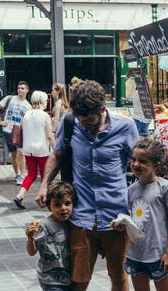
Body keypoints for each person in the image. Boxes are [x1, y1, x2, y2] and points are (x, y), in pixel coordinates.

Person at [35, 80, 139, 291]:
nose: (83, 124)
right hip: (81, 217)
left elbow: (139, 164)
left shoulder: (125, 127)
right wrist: (43, 185)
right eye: (80, 119)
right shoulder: (70, 122)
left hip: (115, 218)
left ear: (102, 109)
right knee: (79, 279)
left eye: (88, 119)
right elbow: (58, 154)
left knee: (118, 277)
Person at [113, 139, 168, 291]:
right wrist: (122, 225)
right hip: (136, 253)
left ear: (156, 165)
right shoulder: (131, 190)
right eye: (134, 160)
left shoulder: (165, 188)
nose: (136, 164)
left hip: (159, 254)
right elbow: (134, 221)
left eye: (142, 161)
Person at [25, 181, 75, 291]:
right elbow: (32, 252)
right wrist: (30, 238)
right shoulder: (44, 225)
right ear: (49, 207)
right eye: (57, 204)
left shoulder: (73, 223)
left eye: (67, 203)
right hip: (51, 280)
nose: (63, 208)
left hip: (70, 278)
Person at [13, 91, 55, 209]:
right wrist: (56, 148)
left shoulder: (26, 114)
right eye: (46, 100)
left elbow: (21, 128)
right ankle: (44, 198)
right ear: (42, 101)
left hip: (28, 149)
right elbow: (49, 136)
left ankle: (19, 196)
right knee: (45, 176)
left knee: (31, 174)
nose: (46, 102)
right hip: (42, 151)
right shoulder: (45, 116)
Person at [0, 81, 32, 185]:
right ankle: (17, 174)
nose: (20, 90)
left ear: (27, 90)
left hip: (19, 131)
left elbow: (28, 121)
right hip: (8, 130)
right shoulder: (9, 99)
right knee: (14, 154)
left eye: (22, 88)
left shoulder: (28, 106)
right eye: (19, 88)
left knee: (20, 153)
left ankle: (23, 175)